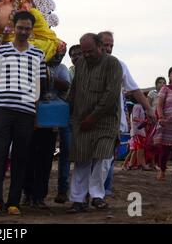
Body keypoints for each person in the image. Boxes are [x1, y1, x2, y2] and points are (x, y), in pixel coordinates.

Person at [0, 11, 47, 216]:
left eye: (27, 28)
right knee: (0, 154)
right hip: (3, 109)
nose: (23, 31)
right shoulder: (1, 51)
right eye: (20, 27)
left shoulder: (38, 54)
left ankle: (13, 202)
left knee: (21, 157)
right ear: (13, 27)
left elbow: (38, 87)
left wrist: (36, 115)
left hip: (26, 112)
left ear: (31, 30)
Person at [67, 33, 122, 213]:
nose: (87, 55)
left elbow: (111, 95)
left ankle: (97, 196)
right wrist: (68, 110)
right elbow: (74, 90)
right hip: (81, 120)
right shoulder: (81, 63)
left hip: (105, 121)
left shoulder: (113, 64)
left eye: (90, 51)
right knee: (81, 159)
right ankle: (78, 199)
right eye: (84, 52)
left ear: (100, 47)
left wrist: (93, 117)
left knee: (101, 157)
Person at [98, 31, 155, 196]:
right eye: (105, 45)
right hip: (91, 118)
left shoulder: (120, 65)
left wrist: (148, 109)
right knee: (93, 158)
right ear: (97, 45)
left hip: (114, 119)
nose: (108, 49)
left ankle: (102, 192)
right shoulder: (87, 64)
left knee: (108, 156)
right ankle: (93, 192)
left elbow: (134, 89)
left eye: (111, 46)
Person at [24, 45, 70, 208]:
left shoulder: (61, 68)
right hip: (29, 115)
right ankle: (27, 193)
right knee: (28, 157)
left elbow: (66, 86)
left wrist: (48, 74)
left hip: (50, 118)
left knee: (45, 159)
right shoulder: (27, 63)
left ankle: (40, 196)